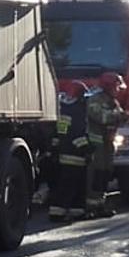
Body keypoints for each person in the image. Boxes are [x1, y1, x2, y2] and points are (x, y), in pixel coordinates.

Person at [49, 85, 95, 222]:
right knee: (71, 185)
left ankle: (74, 211)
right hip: (75, 154)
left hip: (63, 152)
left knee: (66, 185)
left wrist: (54, 149)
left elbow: (58, 133)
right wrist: (87, 149)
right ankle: (60, 213)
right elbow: (77, 133)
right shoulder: (78, 111)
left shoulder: (62, 108)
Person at [85, 80, 127, 218]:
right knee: (95, 174)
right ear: (109, 87)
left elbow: (122, 117)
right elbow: (100, 117)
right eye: (116, 87)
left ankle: (100, 205)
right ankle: (90, 207)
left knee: (105, 174)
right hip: (96, 143)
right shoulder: (95, 100)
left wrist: (120, 116)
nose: (118, 90)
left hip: (107, 144)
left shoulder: (113, 101)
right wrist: (116, 116)